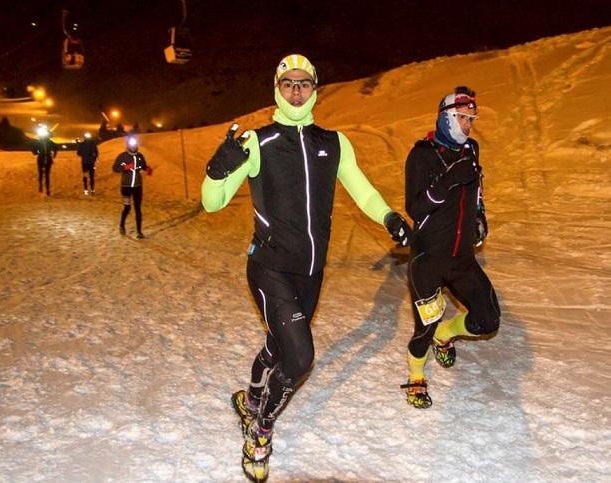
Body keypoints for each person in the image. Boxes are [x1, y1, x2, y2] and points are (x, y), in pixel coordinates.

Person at [201, 54, 412, 482]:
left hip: (311, 273)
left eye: (304, 83)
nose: (296, 90)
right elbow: (212, 201)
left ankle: (251, 395)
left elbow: (363, 190)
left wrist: (389, 217)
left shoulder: (334, 143)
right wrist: (214, 171)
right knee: (300, 356)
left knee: (280, 346)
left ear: (315, 89)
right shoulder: (258, 143)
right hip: (269, 268)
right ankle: (259, 430)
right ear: (276, 90)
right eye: (288, 83)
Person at [401, 86, 501, 409]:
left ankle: (446, 333)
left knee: (488, 319)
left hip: (461, 258)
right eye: (461, 118)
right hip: (428, 259)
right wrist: (446, 182)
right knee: (424, 328)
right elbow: (415, 208)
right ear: (445, 117)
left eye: (471, 119)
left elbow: (478, 191)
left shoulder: (471, 148)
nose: (467, 125)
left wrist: (479, 217)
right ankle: (416, 375)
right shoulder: (422, 154)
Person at [112, 136, 152, 239]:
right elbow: (115, 168)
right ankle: (122, 225)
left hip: (137, 186)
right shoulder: (122, 156)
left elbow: (143, 166)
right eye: (131, 145)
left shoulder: (140, 156)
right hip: (126, 187)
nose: (133, 147)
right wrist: (125, 167)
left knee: (138, 208)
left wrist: (147, 169)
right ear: (128, 146)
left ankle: (139, 232)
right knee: (127, 207)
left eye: (135, 145)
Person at [31, 125, 57, 196]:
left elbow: (56, 147)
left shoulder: (49, 142)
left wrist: (54, 154)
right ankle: (41, 186)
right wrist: (36, 153)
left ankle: (47, 189)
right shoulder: (38, 142)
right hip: (41, 158)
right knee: (41, 173)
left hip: (47, 158)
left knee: (47, 174)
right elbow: (33, 149)